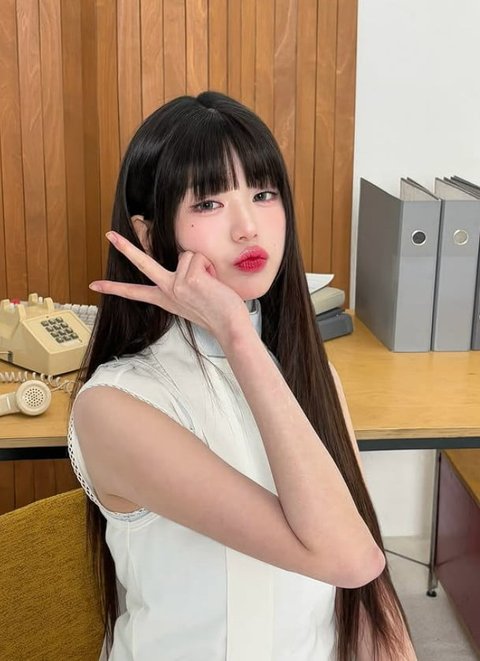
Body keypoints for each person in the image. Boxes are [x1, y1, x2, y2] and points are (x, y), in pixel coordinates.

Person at [68, 91, 416, 661]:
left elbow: (366, 596)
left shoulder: (311, 374)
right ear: (149, 235)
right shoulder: (114, 405)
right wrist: (236, 332)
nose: (248, 227)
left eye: (263, 194)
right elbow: (349, 560)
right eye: (209, 203)